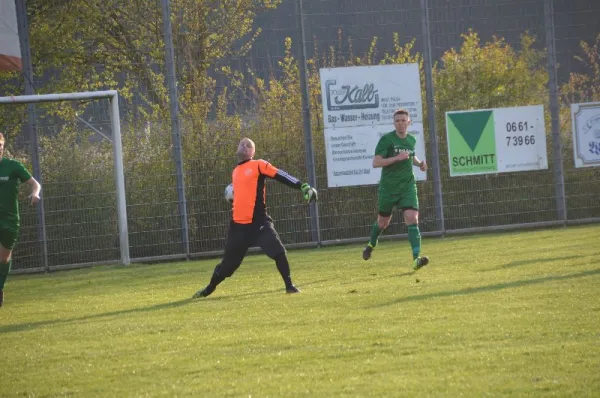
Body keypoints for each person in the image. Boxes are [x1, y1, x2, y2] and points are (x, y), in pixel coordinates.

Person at [192, 137, 317, 298]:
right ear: (237, 149)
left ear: (253, 152)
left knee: (278, 251)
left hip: (259, 223)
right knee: (227, 267)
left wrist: (302, 185)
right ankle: (209, 289)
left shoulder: (258, 165)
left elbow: (280, 174)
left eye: (248, 145)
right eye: (242, 144)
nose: (244, 146)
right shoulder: (235, 171)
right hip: (238, 227)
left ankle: (290, 286)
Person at [362, 108, 429, 270]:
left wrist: (419, 163)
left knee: (412, 218)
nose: (400, 124)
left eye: (403, 121)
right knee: (383, 223)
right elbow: (376, 162)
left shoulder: (411, 140)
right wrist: (396, 158)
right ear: (394, 123)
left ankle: (416, 259)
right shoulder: (387, 140)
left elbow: (410, 156)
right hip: (389, 188)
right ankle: (371, 244)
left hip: (407, 186)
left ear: (409, 123)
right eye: (397, 121)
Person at [0, 132, 42, 307]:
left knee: (3, 259)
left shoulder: (12, 166)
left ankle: (0, 287)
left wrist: (35, 194)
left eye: (0, 146)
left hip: (9, 220)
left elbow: (35, 183)